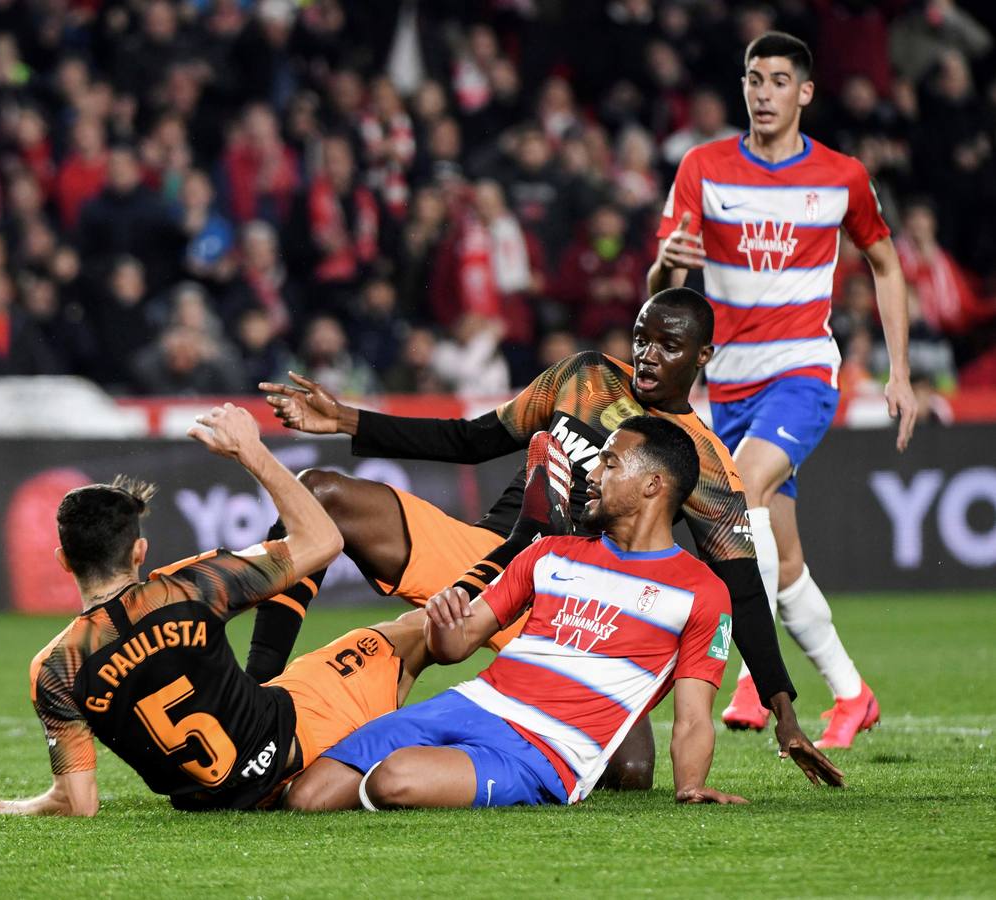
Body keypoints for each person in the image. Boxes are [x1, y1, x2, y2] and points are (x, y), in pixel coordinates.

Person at [260, 287, 843, 789]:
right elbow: (470, 440)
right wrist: (344, 420)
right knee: (317, 493)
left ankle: (461, 752)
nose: (647, 354)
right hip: (493, 563)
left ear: (703, 356)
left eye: (668, 345)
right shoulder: (583, 377)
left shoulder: (704, 461)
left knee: (633, 773)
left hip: (576, 622)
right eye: (641, 337)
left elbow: (741, 591)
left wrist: (783, 712)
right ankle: (261, 688)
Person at [0, 403, 572, 815]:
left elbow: (77, 801)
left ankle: (511, 535)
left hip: (222, 797)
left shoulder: (53, 670)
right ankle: (522, 542)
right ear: (139, 551)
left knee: (385, 645)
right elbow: (321, 542)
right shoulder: (185, 589)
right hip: (299, 735)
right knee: (417, 634)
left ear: (63, 562)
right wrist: (252, 453)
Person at [647, 32, 915, 748]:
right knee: (781, 557)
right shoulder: (702, 168)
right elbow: (660, 297)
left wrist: (899, 373)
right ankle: (852, 693)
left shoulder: (840, 176)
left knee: (740, 496)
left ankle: (750, 677)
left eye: (775, 80)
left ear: (803, 93)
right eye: (751, 79)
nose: (761, 93)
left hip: (800, 372)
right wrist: (664, 266)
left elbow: (885, 267)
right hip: (727, 386)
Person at [286, 417, 745, 810]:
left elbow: (692, 717)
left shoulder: (701, 591)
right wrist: (445, 624)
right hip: (470, 703)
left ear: (652, 485)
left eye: (609, 463)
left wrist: (690, 786)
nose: (592, 473)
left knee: (395, 778)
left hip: (546, 754)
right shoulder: (548, 551)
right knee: (307, 796)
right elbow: (458, 645)